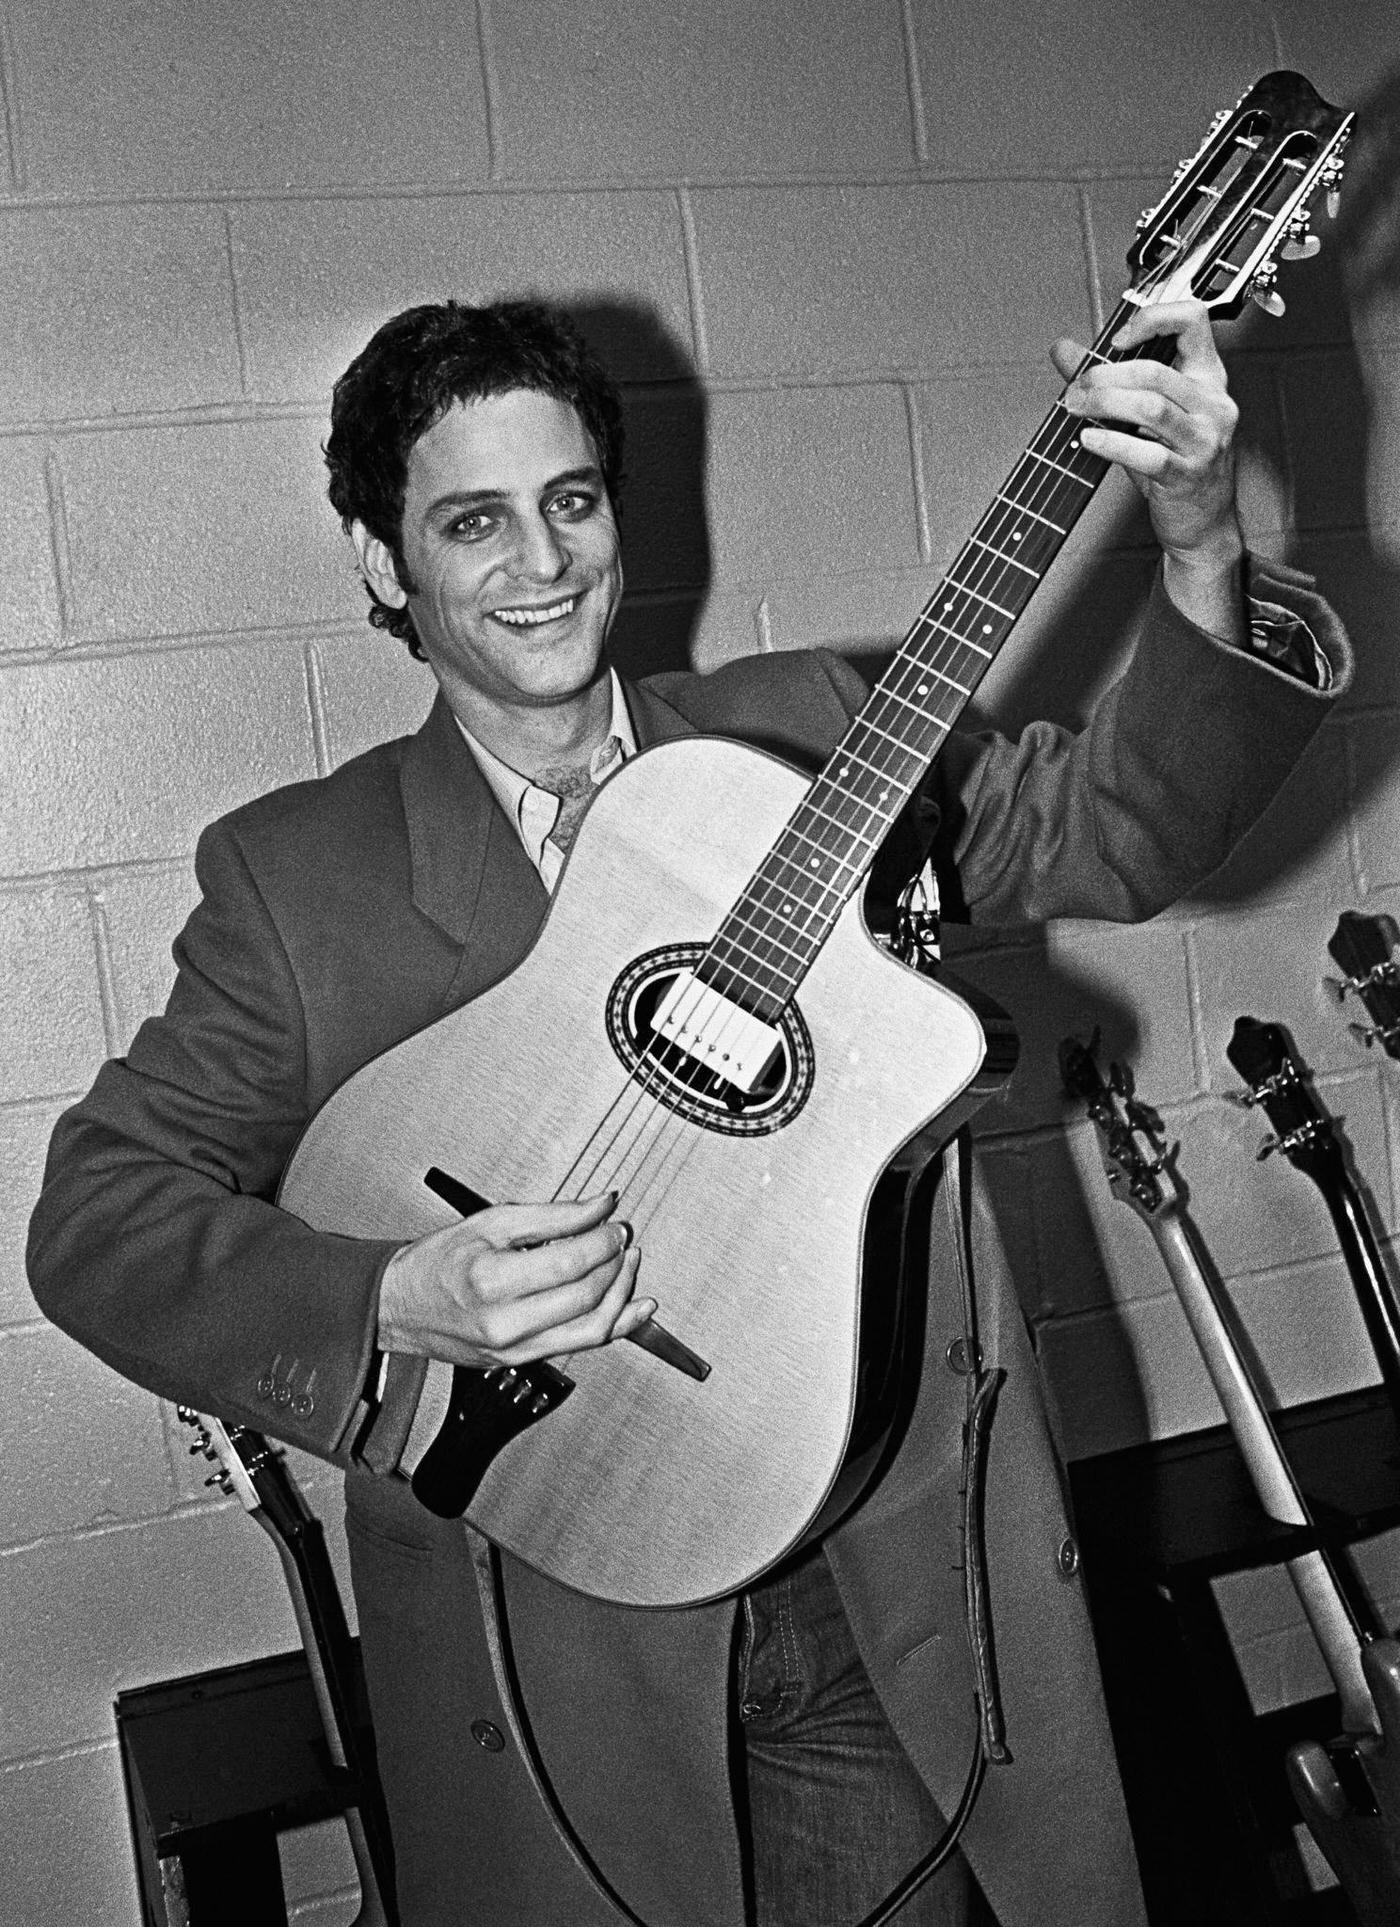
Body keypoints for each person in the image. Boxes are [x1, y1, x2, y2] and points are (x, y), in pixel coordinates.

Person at [28, 297, 1349, 1927]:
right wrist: (392, 1296)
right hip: (562, 1629)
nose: (541, 561)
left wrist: (1203, 536)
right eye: (472, 520)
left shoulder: (808, 736)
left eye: (571, 500)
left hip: (878, 1582)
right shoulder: (301, 880)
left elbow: (1123, 829)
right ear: (384, 562)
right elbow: (94, 1216)